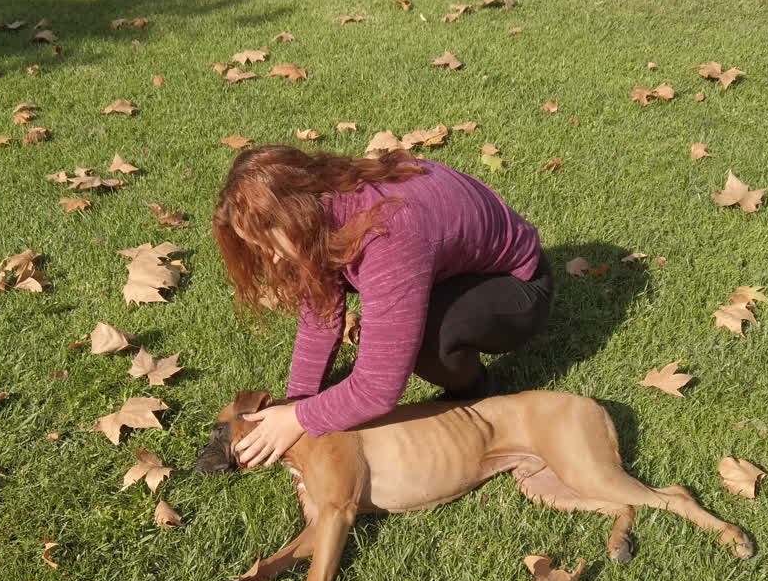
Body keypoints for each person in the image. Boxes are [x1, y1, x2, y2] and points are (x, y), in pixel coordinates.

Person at [213, 145, 554, 469]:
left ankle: (472, 390)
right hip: (452, 269)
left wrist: (301, 418)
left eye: (269, 242)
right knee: (403, 318)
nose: (270, 256)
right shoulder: (324, 204)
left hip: (519, 287)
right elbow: (321, 315)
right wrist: (294, 405)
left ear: (295, 212)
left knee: (427, 338)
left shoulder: (386, 233)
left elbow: (378, 389)